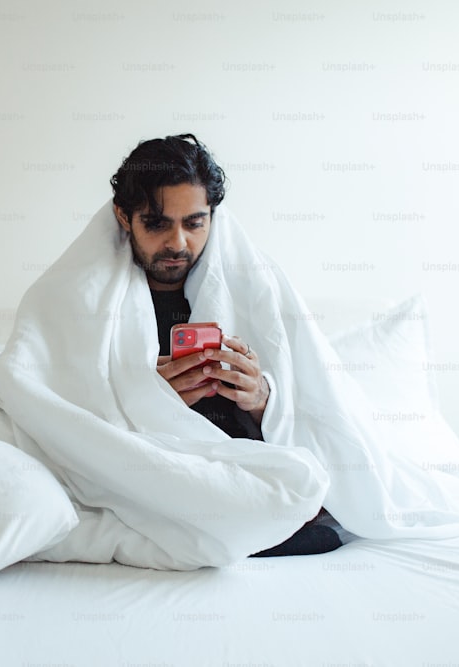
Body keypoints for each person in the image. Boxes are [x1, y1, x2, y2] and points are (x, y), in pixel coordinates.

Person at [110, 134, 340, 556]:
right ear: (124, 217)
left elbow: (319, 407)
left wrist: (261, 397)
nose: (178, 243)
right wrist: (146, 397)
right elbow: (69, 412)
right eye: (158, 223)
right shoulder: (94, 301)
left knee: (306, 487)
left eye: (194, 223)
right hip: (158, 469)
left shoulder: (254, 286)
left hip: (241, 468)